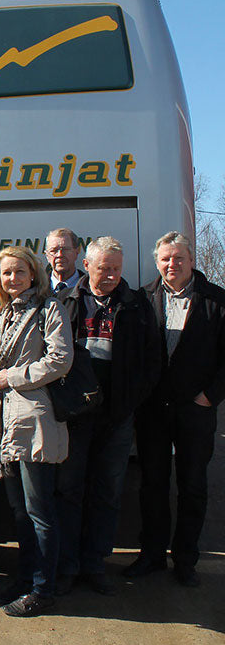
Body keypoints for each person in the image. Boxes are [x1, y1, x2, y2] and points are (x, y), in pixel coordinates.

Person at [56, 236, 160, 596]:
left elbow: (151, 361)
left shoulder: (136, 305)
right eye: (104, 268)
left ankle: (95, 564)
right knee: (69, 491)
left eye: (116, 268)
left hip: (117, 418)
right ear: (86, 266)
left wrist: (129, 402)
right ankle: (67, 566)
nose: (112, 275)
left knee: (107, 493)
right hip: (74, 417)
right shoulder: (66, 302)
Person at [128, 231, 225, 587]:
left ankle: (186, 559)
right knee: (152, 484)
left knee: (193, 485)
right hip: (153, 410)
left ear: (191, 260)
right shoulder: (142, 299)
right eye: (166, 259)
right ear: (157, 262)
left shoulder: (216, 300)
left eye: (179, 258)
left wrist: (210, 396)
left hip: (195, 410)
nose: (172, 264)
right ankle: (152, 555)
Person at [0, 247, 72, 617]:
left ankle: (43, 589)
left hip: (35, 422)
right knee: (20, 511)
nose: (12, 278)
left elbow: (60, 360)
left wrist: (11, 377)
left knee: (40, 511)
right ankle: (26, 577)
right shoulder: (4, 312)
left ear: (33, 273)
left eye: (19, 272)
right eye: (6, 273)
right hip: (5, 420)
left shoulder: (50, 309)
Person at [45, 228, 86, 292]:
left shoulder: (90, 287)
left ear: (76, 252)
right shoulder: (36, 289)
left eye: (65, 249)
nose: (60, 255)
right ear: (47, 255)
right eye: (54, 250)